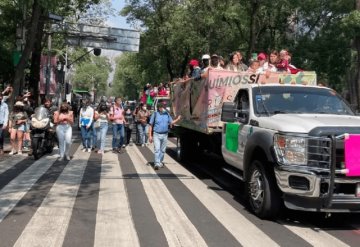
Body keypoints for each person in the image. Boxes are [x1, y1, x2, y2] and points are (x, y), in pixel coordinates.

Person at [148, 101, 181, 170]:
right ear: (159, 108)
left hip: (165, 134)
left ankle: (160, 161)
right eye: (162, 107)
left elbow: (171, 122)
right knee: (157, 149)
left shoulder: (167, 114)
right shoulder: (155, 114)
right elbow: (150, 125)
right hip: (156, 134)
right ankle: (156, 163)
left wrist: (177, 119)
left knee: (163, 150)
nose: (164, 108)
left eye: (164, 107)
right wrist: (150, 136)